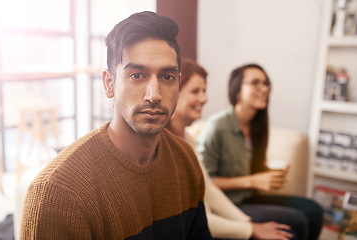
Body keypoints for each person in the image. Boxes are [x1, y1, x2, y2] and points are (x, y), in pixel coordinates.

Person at [20, 11, 212, 239]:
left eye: (167, 77)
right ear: (109, 84)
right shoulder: (58, 194)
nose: (154, 95)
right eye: (137, 75)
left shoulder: (185, 159)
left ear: (178, 84)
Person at [167, 58, 295, 240]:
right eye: (195, 91)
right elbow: (196, 215)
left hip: (227, 209)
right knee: (292, 230)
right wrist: (250, 229)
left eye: (204, 91)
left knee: (303, 218)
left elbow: (207, 188)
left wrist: (247, 222)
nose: (204, 98)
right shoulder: (170, 144)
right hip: (215, 215)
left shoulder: (187, 138)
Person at [196, 63, 324, 240]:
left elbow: (254, 171)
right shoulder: (217, 126)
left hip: (249, 196)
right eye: (255, 83)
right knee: (298, 221)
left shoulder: (257, 124)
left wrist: (268, 176)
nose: (264, 89)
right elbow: (205, 182)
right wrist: (252, 181)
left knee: (313, 210)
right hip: (228, 203)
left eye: (266, 83)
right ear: (237, 90)